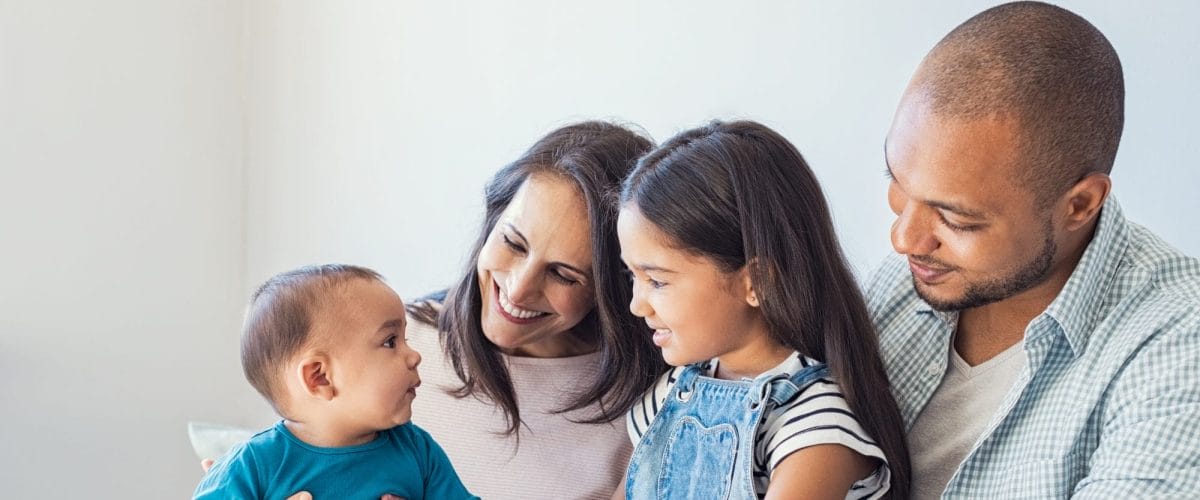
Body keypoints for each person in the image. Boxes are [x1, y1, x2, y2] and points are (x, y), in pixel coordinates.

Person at [870, 2, 1200, 498]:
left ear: (1079, 205)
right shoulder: (912, 275)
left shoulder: (1178, 345)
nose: (904, 239)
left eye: (956, 219)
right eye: (897, 184)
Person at [615, 121, 911, 499]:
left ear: (756, 282)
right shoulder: (675, 392)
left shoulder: (813, 424)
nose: (636, 305)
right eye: (632, 276)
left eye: (656, 281)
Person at [404, 121, 669, 499]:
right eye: (513, 243)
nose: (518, 288)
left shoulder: (656, 401)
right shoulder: (394, 340)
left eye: (563, 274)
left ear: (610, 290)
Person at [194, 264, 477, 499]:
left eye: (405, 339)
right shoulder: (253, 467)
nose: (414, 355)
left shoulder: (417, 451)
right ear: (320, 377)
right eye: (390, 342)